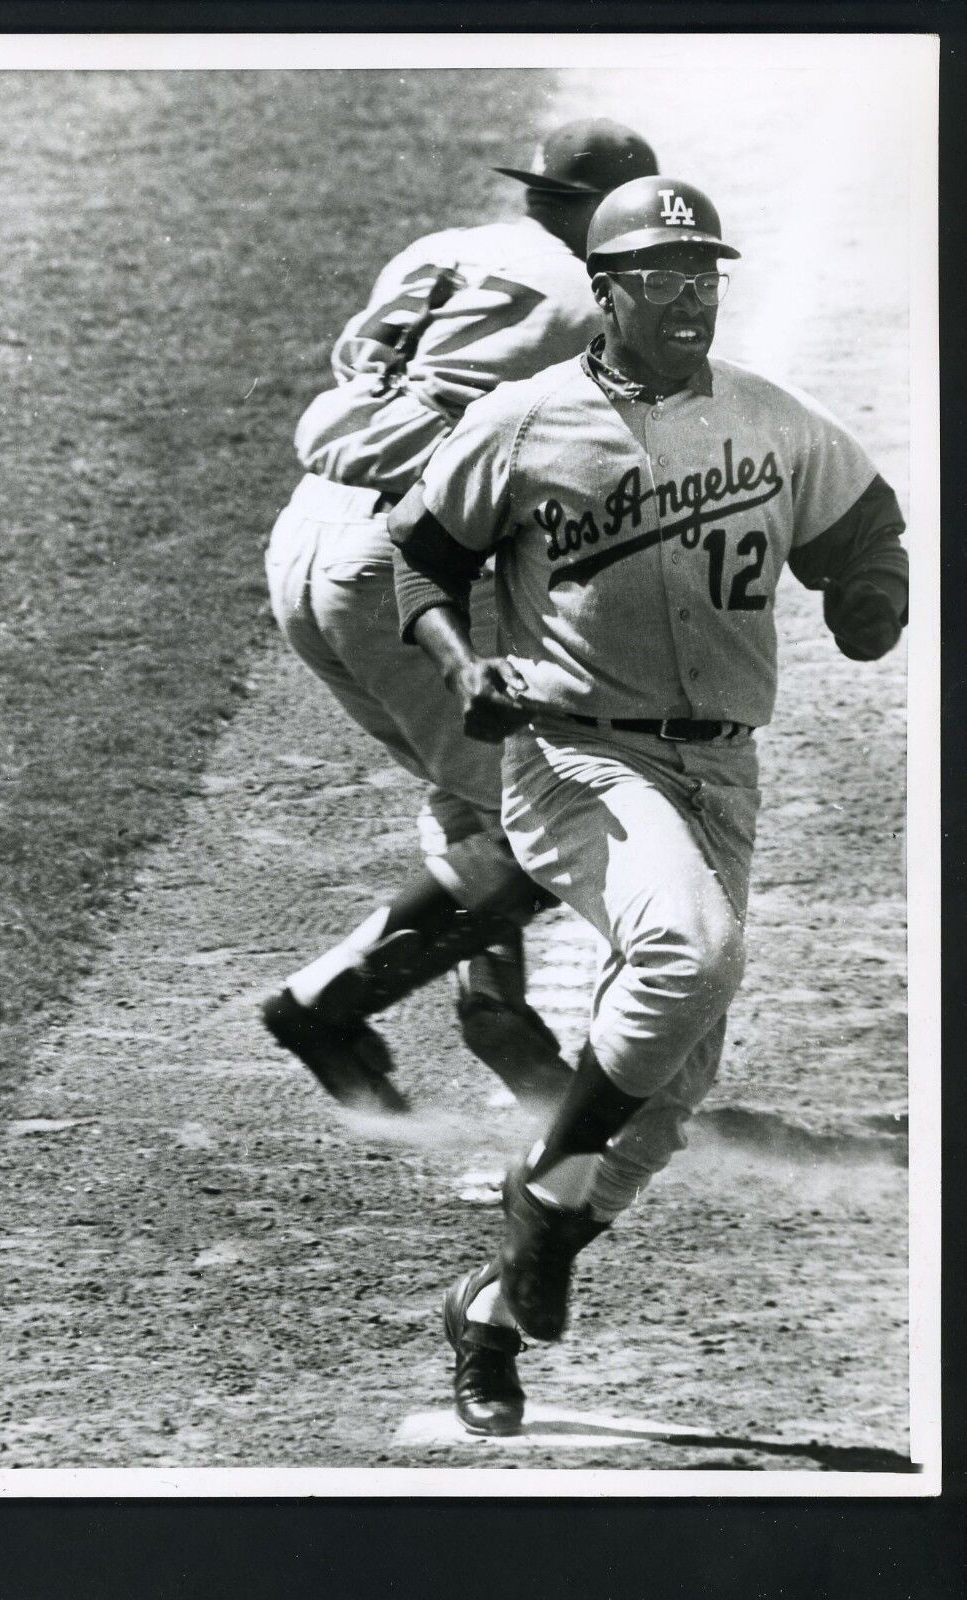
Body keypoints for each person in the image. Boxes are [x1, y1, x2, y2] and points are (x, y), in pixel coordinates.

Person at [388, 173, 908, 1433]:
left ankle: (494, 1304)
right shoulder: (526, 422)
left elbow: (867, 523)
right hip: (575, 758)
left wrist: (869, 596)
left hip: (721, 776)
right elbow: (419, 555)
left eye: (706, 279)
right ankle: (543, 1216)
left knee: (666, 1094)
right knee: (689, 948)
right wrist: (470, 668)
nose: (691, 300)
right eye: (664, 281)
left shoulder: (771, 423)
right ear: (606, 294)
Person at [262, 120, 660, 1116]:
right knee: (545, 826)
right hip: (401, 556)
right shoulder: (597, 301)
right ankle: (325, 1003)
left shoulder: (440, 251)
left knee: (478, 790)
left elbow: (370, 373)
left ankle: (502, 1025)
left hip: (304, 537)